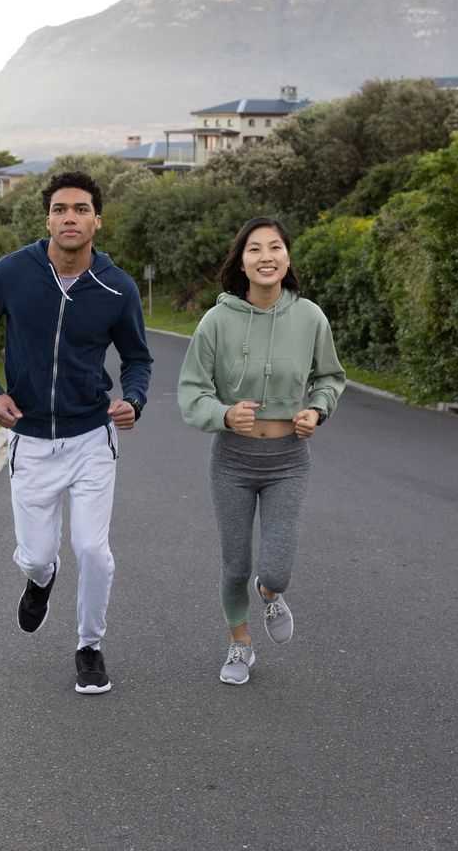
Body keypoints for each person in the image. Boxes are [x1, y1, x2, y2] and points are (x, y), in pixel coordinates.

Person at [0, 170, 152, 694]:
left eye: (82, 209)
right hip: (30, 438)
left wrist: (132, 400)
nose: (71, 217)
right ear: (48, 218)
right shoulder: (12, 273)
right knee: (40, 554)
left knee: (93, 549)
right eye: (61, 209)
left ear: (97, 221)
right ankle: (40, 580)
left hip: (92, 436)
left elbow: (137, 358)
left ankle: (89, 646)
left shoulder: (117, 286)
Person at [177, 216, 345, 685]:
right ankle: (240, 645)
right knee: (234, 565)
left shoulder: (310, 317)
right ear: (243, 262)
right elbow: (192, 391)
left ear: (287, 258)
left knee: (275, 569)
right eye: (255, 249)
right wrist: (224, 415)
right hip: (232, 459)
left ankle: (270, 593)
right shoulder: (216, 321)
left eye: (275, 247)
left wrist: (317, 410)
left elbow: (330, 376)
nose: (266, 256)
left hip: (289, 460)